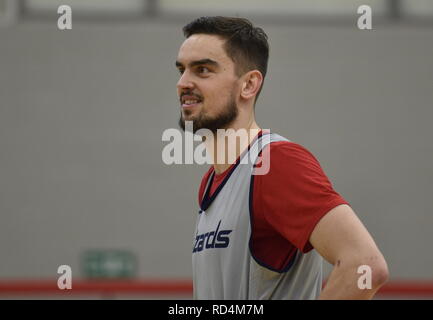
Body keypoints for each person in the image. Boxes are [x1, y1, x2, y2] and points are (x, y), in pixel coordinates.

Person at [175, 16, 388, 299]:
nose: (183, 83)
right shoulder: (211, 181)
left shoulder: (275, 163)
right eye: (182, 70)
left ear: (249, 84)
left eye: (202, 70)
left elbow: (366, 266)